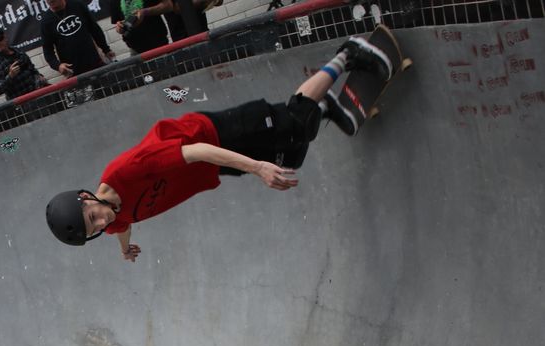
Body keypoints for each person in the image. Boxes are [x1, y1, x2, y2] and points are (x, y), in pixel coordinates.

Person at [45, 36, 392, 260]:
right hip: (213, 167)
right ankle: (323, 106)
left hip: (211, 135)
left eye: (93, 216)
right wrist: (126, 251)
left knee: (291, 124)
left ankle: (347, 55)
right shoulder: (111, 220)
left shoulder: (127, 171)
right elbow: (122, 227)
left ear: (86, 196)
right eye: (94, 229)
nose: (102, 221)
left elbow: (195, 150)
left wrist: (256, 167)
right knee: (291, 156)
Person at [41, 0, 116, 78]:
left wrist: (106, 49)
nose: (49, 1)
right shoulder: (46, 21)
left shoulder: (77, 6)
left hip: (94, 63)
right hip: (74, 72)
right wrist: (58, 66)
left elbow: (95, 29)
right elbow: (47, 50)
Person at [0, 26, 48, 100]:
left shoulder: (18, 52)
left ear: (5, 37)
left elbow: (32, 69)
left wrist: (39, 77)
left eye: (0, 38)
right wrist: (10, 76)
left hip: (37, 96)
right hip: (21, 103)